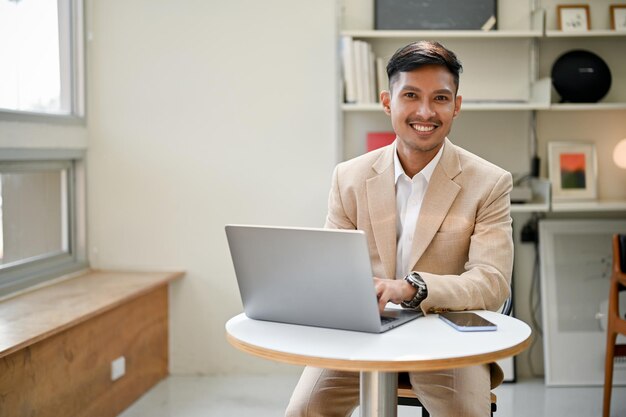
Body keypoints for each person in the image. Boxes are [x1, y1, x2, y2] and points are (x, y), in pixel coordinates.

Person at [285, 40, 514, 417]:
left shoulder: (489, 183)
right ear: (387, 101)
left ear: (456, 106)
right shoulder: (349, 177)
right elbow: (330, 271)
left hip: (447, 337)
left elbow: (491, 282)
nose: (426, 111)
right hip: (361, 334)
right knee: (302, 412)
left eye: (440, 98)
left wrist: (411, 288)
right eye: (411, 95)